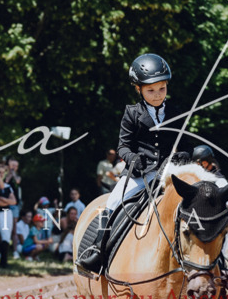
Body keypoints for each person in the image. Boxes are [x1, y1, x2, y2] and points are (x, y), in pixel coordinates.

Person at [77, 53, 183, 273]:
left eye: (161, 89)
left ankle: (213, 262)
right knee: (112, 204)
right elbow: (123, 146)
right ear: (139, 89)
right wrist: (132, 158)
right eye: (150, 90)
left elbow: (183, 143)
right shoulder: (132, 113)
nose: (157, 95)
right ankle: (97, 250)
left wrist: (183, 155)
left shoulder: (175, 112)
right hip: (139, 174)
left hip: (167, 174)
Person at [0, 177, 18, 268]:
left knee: (6, 235)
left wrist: (4, 200)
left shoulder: (8, 187)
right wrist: (7, 201)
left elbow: (14, 201)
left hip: (6, 212)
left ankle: (3, 261)